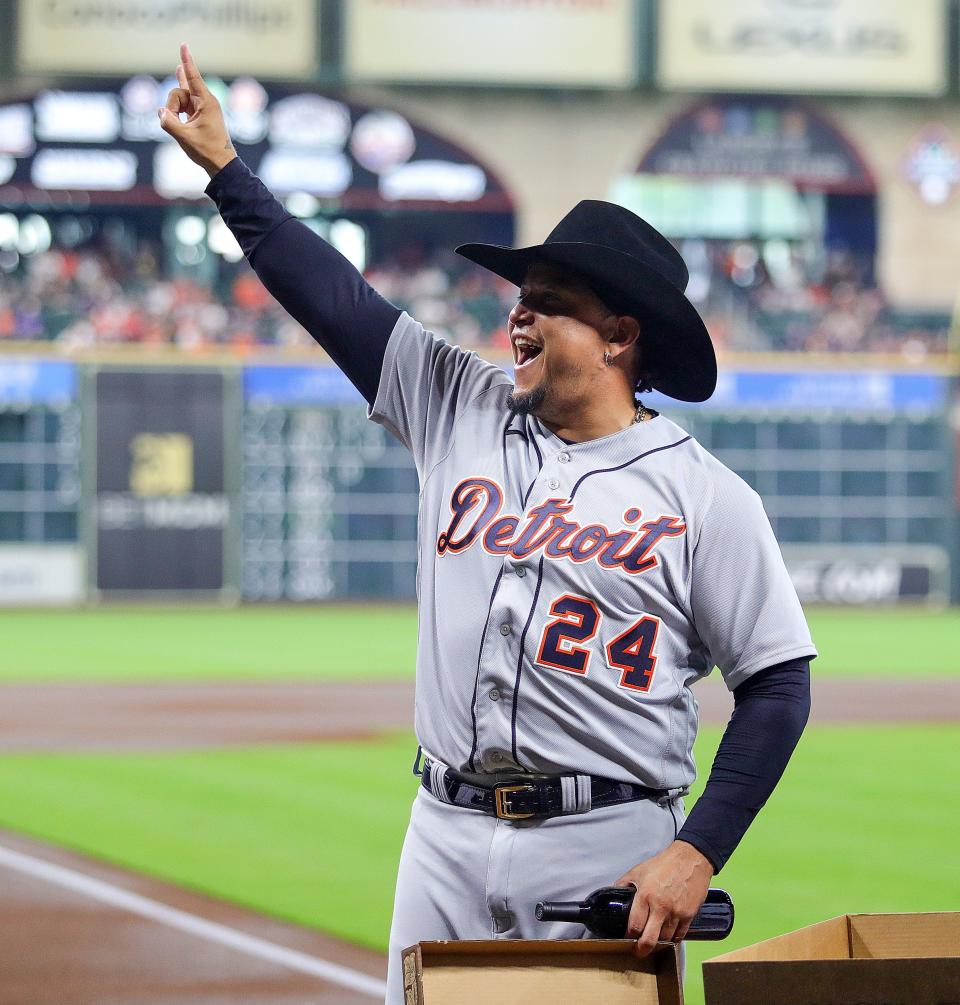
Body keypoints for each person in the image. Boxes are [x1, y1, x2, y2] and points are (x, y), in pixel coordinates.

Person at [160, 45, 816, 1003]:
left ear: (622, 337)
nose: (518, 317)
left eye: (550, 305)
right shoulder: (456, 404)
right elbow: (334, 298)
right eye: (520, 297)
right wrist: (227, 172)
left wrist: (695, 852)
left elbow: (778, 685)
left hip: (606, 846)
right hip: (444, 833)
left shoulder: (706, 497)